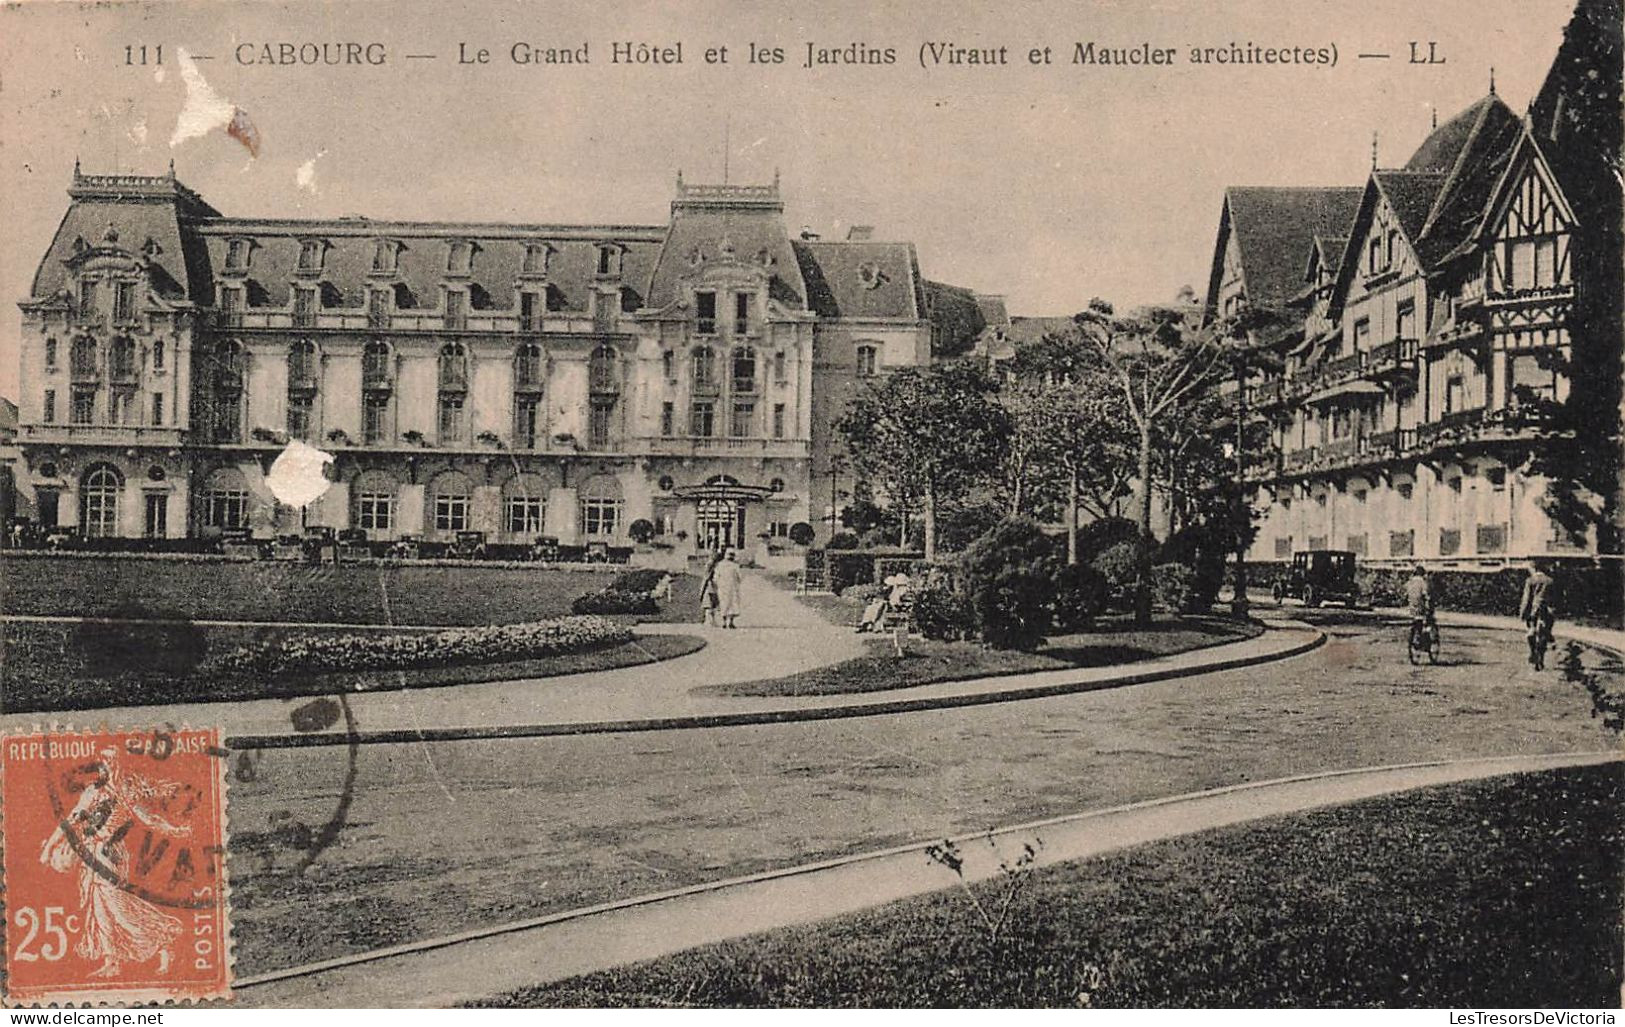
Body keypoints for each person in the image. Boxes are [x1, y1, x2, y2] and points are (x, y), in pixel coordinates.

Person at [40, 748, 189, 978]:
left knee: (117, 906)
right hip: (90, 853)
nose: (105, 767)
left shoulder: (125, 793)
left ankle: (162, 939)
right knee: (99, 910)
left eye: (110, 762)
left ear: (117, 765)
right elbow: (70, 821)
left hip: (111, 855)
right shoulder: (91, 792)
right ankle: (112, 961)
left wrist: (174, 830)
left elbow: (149, 818)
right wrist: (49, 847)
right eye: (102, 763)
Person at [1518, 559, 1556, 670]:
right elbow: (1555, 598)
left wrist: (1523, 612)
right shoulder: (1550, 581)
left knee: (1531, 632)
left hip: (1533, 611)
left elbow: (1526, 598)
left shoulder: (1530, 581)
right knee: (1544, 633)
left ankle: (1533, 652)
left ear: (1534, 568)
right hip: (1547, 611)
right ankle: (1541, 659)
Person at [1404, 563, 1435, 651]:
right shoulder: (1422, 581)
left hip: (1412, 605)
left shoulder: (1410, 581)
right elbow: (1425, 594)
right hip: (1421, 604)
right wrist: (1429, 601)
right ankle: (1425, 640)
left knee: (1416, 621)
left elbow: (1406, 593)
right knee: (1427, 620)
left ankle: (1416, 637)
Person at [714, 549, 744, 628]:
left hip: (722, 587)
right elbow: (740, 577)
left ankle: (724, 622)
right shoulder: (735, 566)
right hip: (732, 587)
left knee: (724, 603)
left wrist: (718, 584)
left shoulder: (719, 565)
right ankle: (730, 622)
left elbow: (715, 578)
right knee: (732, 604)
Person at [699, 551, 723, 627]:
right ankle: (710, 621)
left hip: (711, 586)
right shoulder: (716, 566)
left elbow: (706, 577)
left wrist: (702, 589)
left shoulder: (712, 566)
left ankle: (710, 621)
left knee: (710, 604)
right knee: (711, 604)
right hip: (714, 586)